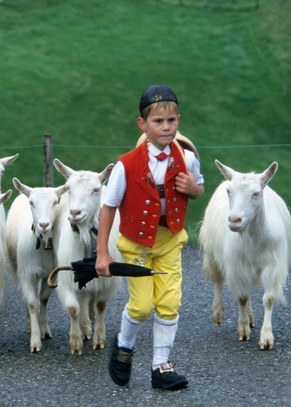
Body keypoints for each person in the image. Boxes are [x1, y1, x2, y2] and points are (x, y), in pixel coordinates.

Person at [95, 85, 204, 390]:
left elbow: (200, 187)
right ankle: (125, 344)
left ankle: (160, 366)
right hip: (137, 244)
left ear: (178, 120)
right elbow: (108, 208)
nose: (166, 127)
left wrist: (192, 189)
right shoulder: (126, 165)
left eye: (171, 120)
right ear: (142, 125)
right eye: (158, 122)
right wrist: (102, 253)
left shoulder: (187, 159)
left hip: (169, 240)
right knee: (142, 306)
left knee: (169, 302)